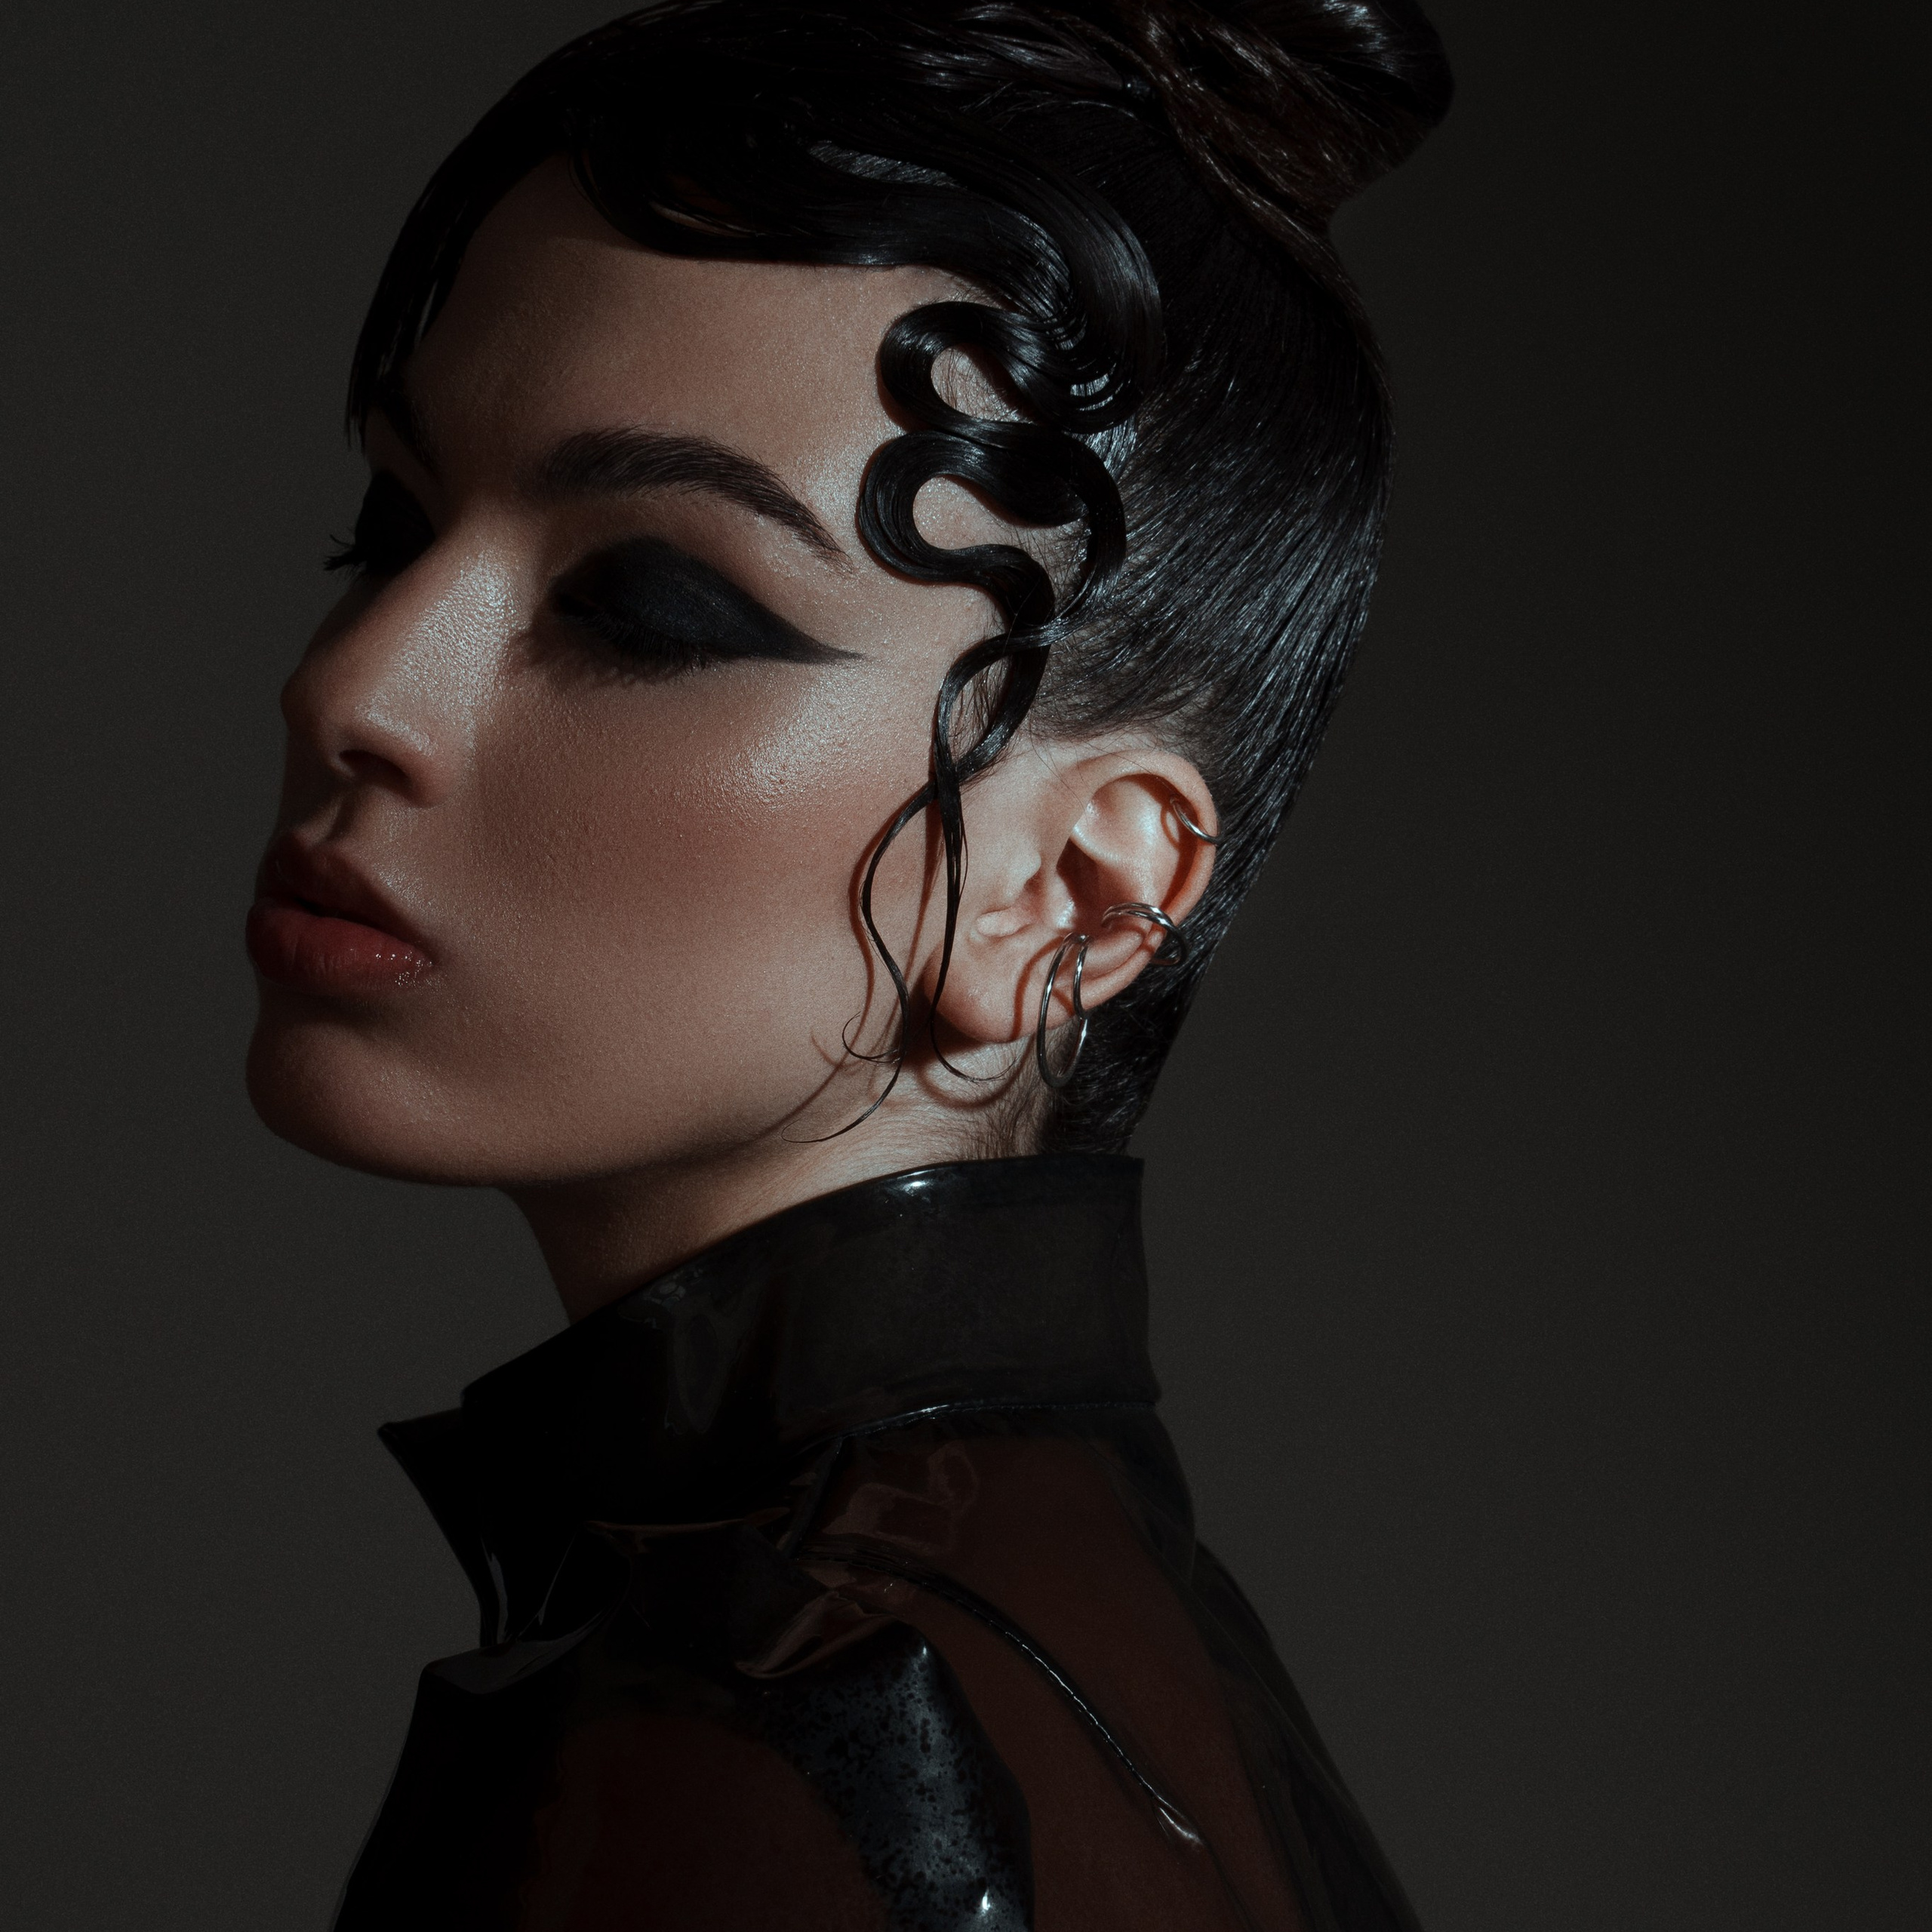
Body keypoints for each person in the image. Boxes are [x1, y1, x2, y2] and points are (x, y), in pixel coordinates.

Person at [243, 2, 1451, 1925]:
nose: (355, 688)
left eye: (647, 603)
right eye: (393, 522)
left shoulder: (780, 1740)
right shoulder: (1050, 1629)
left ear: (1070, 887)